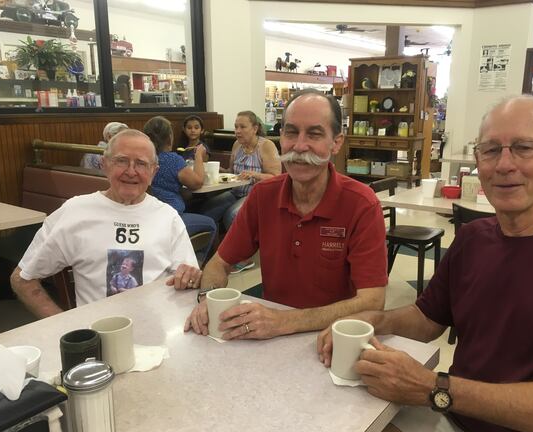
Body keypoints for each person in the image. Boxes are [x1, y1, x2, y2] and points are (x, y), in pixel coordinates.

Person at [317, 95, 533, 432]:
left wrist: (434, 387)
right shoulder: (473, 238)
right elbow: (427, 319)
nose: (504, 164)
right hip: (455, 420)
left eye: (524, 148)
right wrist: (373, 320)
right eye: (490, 150)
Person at [185, 90, 388, 341]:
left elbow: (373, 300)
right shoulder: (263, 196)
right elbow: (219, 263)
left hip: (333, 340)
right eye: (291, 132)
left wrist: (285, 321)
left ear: (336, 142)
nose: (300, 146)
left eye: (314, 134)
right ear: (281, 136)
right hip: (271, 341)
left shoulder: (362, 204)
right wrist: (208, 298)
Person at [11, 129, 202, 319]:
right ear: (104, 165)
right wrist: (63, 326)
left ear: (154, 172)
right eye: (121, 161)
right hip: (98, 338)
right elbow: (22, 279)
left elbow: (189, 279)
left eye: (142, 164)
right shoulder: (75, 211)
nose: (131, 171)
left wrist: (191, 278)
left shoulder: (168, 216)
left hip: (158, 336)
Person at [144, 116, 217, 265]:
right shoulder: (171, 160)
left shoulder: (145, 158)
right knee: (211, 224)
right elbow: (197, 182)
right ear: (169, 137)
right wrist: (198, 156)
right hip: (171, 217)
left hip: (148, 216)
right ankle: (197, 265)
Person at [202, 110, 281, 234]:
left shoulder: (266, 146)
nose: (237, 131)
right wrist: (213, 169)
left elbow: (276, 178)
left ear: (255, 128)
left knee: (232, 215)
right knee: (208, 210)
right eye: (236, 127)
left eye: (242, 127)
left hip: (256, 195)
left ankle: (236, 251)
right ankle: (213, 248)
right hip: (235, 192)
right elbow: (231, 173)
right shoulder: (236, 145)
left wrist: (255, 174)